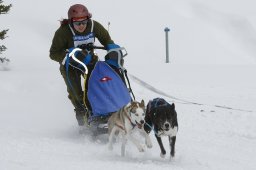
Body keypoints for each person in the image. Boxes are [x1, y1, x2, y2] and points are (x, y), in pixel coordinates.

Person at [49, 4, 120, 128]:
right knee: (76, 92)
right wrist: (68, 56)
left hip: (89, 61)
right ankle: (82, 118)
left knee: (97, 86)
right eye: (77, 23)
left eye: (84, 22)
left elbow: (108, 41)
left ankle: (102, 112)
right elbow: (53, 53)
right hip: (70, 66)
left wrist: (113, 51)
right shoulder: (63, 32)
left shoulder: (94, 26)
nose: (81, 26)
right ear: (71, 22)